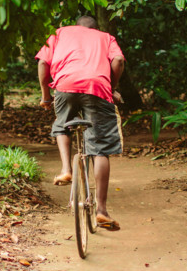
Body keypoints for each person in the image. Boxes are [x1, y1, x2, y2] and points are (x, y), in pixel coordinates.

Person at [36, 15, 125, 231]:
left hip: (65, 84)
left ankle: (66, 169)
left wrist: (45, 96)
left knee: (62, 124)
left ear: (76, 26)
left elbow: (43, 62)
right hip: (97, 87)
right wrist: (111, 88)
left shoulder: (59, 33)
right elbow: (118, 61)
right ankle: (101, 211)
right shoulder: (105, 37)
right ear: (95, 28)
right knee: (100, 148)